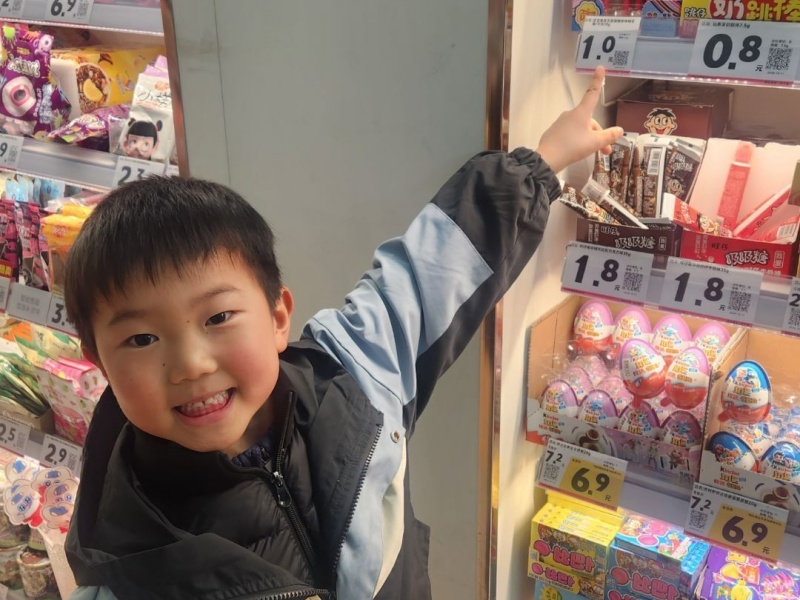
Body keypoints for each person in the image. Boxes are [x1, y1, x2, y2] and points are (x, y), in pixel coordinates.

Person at [64, 66, 622, 600]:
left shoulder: (355, 375)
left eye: (217, 318)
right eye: (141, 339)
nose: (191, 364)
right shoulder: (123, 575)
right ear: (98, 359)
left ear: (278, 317)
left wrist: (542, 162)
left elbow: (430, 271)